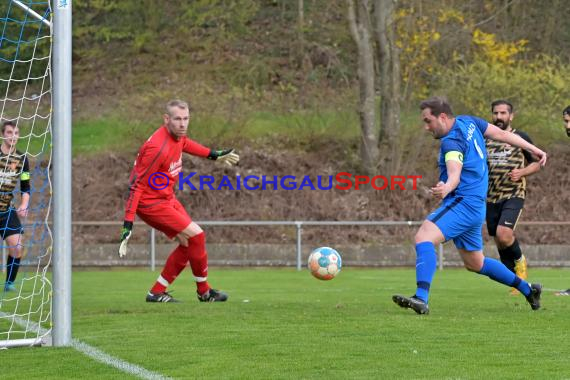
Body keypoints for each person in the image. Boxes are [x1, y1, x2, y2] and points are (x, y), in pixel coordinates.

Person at [392, 96, 547, 315]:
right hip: (476, 206)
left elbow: (454, 171)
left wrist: (447, 187)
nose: (426, 127)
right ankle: (529, 289)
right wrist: (535, 149)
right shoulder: (469, 122)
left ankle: (421, 297)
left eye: (428, 121)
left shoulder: (451, 141)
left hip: (461, 203)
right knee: (476, 262)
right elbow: (503, 135)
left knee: (423, 237)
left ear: (442, 117)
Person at [119, 99, 239, 303]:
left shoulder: (177, 137)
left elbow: (186, 144)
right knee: (197, 236)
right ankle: (204, 292)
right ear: (166, 119)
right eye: (177, 119)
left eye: (186, 119)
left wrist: (213, 155)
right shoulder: (157, 147)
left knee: (188, 243)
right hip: (151, 204)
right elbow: (136, 185)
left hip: (166, 197)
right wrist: (128, 223)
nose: (182, 124)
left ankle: (156, 292)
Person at [486, 100, 541, 295]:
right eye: (495, 113)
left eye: (503, 113)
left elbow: (538, 162)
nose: (499, 117)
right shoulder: (486, 138)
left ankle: (520, 262)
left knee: (504, 234)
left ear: (511, 116)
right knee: (499, 241)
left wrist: (522, 172)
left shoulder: (520, 137)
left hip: (513, 194)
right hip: (490, 198)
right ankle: (514, 279)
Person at [0, 121, 30, 292]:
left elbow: (25, 186)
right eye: (10, 132)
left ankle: (9, 283)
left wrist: (24, 204)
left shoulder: (22, 159)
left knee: (17, 247)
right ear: (3, 134)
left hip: (7, 210)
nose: (13, 136)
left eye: (16, 133)